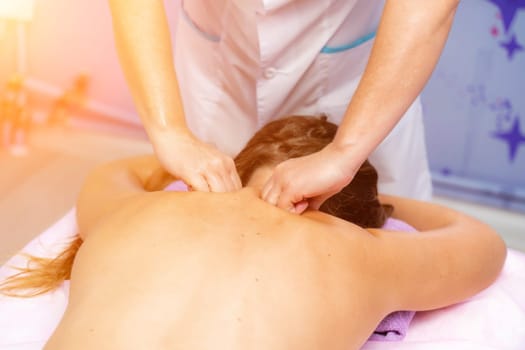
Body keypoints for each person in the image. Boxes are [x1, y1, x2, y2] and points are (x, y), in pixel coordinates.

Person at [1, 116, 506, 350]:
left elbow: (111, 174)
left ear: (239, 167)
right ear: (352, 211)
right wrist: (384, 205)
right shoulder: (356, 252)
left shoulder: (134, 212)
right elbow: (483, 244)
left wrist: (194, 166)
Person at [107, 0, 460, 212]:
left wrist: (346, 153)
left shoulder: (368, 261)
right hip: (220, 64)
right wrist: (169, 131)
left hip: (350, 72)